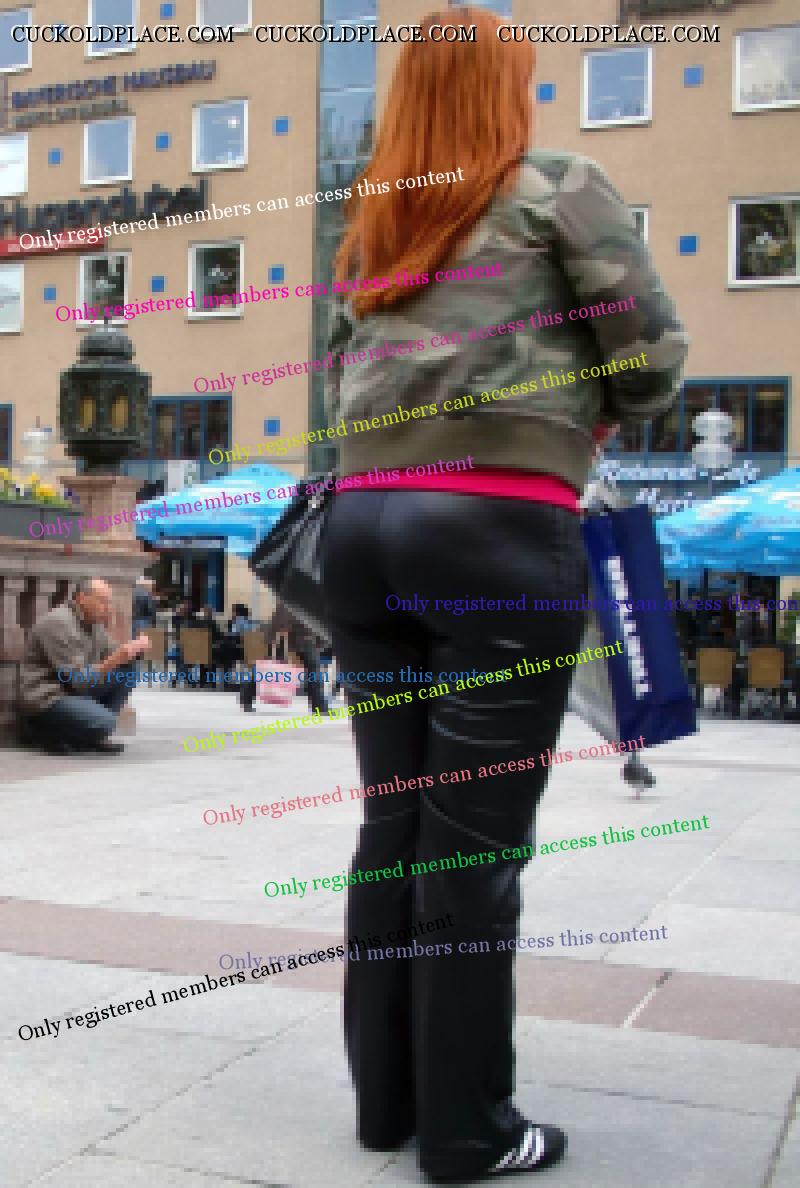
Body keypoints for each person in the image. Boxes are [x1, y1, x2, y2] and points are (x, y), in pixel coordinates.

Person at [320, 7, 688, 1182]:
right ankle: (468, 1131)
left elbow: (340, 380)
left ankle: (389, 1107)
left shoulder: (374, 220)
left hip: (359, 528)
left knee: (393, 829)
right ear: (504, 88)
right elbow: (649, 354)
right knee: (470, 847)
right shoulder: (556, 185)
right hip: (489, 528)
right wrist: (591, 408)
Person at [19, 577, 151, 755]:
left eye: (109, 602)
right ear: (82, 598)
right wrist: (116, 658)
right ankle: (47, 732)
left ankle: (91, 735)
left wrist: (135, 649)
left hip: (72, 691)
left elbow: (113, 652)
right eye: (102, 601)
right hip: (48, 698)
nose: (108, 608)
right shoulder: (59, 623)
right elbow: (78, 680)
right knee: (106, 722)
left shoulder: (93, 623)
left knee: (129, 669)